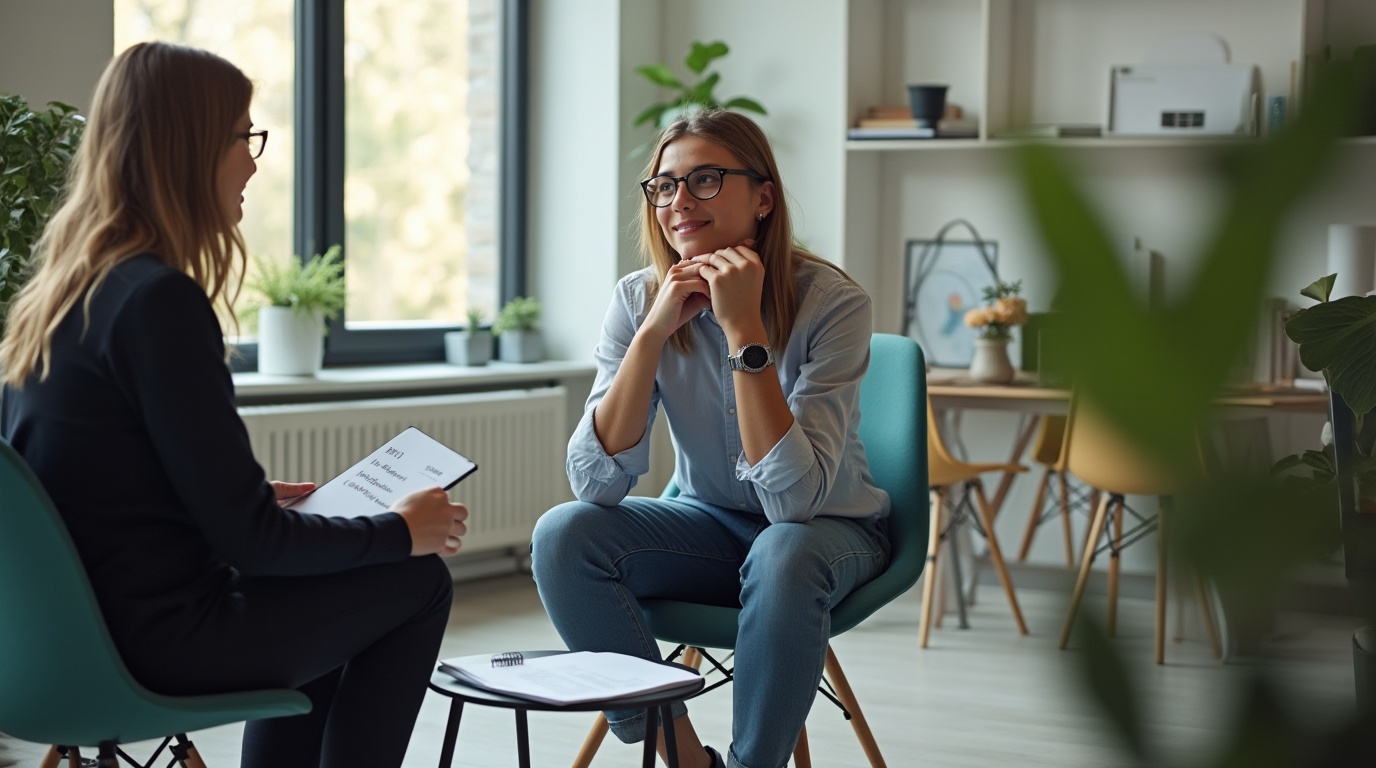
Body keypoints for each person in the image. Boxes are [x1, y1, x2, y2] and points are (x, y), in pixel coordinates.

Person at [0, 43, 467, 768]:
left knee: (332, 576)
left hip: (59, 644)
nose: (253, 161)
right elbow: (255, 547)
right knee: (417, 578)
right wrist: (402, 530)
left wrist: (226, 503)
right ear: (188, 149)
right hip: (153, 643)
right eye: (241, 136)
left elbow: (92, 494)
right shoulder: (159, 301)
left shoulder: (61, 299)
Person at [531, 110, 891, 768]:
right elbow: (596, 483)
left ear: (762, 197)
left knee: (783, 550)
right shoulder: (639, 299)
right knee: (563, 535)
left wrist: (743, 331)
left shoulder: (834, 303)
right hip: (709, 527)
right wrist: (651, 335)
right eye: (664, 186)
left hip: (828, 533)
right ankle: (682, 754)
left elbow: (793, 505)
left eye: (704, 179)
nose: (678, 202)